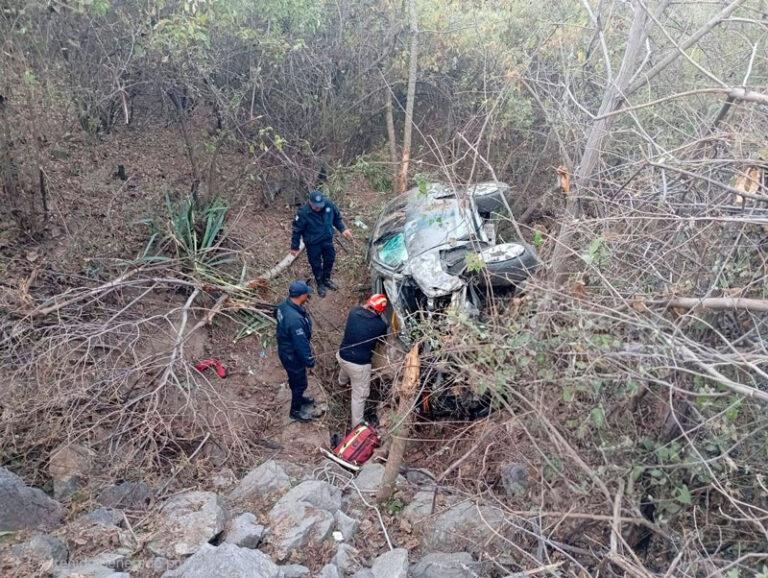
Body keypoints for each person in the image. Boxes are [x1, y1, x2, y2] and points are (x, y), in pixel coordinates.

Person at [337, 294, 389, 427]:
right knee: (359, 396)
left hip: (342, 355)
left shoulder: (354, 312)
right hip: (359, 366)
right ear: (380, 311)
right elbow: (382, 341)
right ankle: (357, 425)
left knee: (346, 367)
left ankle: (341, 383)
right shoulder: (380, 325)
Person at [290, 190, 353, 298]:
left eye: (320, 206)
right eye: (316, 206)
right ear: (310, 202)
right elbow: (296, 231)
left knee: (330, 259)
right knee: (316, 264)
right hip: (313, 243)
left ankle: (326, 279)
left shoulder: (328, 204)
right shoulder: (303, 213)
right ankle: (320, 283)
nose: (318, 208)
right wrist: (294, 247)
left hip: (327, 239)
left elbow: (337, 219)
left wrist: (343, 229)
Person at [276, 280, 316, 422]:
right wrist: (309, 360)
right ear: (301, 296)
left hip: (286, 349)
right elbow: (301, 344)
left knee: (295, 380)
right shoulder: (295, 320)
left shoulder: (283, 306)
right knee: (300, 383)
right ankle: (295, 411)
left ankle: (299, 398)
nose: (308, 296)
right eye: (306, 293)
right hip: (292, 355)